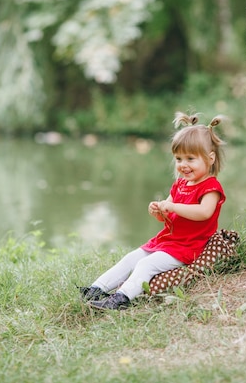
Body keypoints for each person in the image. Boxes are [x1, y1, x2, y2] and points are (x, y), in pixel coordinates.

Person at [80, 112, 227, 310]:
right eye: (178, 158)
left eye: (190, 159)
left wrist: (173, 206)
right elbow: (169, 213)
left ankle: (121, 299)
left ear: (210, 158)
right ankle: (96, 289)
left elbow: (204, 213)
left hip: (188, 247)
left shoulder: (210, 187)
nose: (183, 165)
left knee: (146, 265)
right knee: (131, 258)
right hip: (167, 241)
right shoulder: (180, 185)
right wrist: (159, 211)